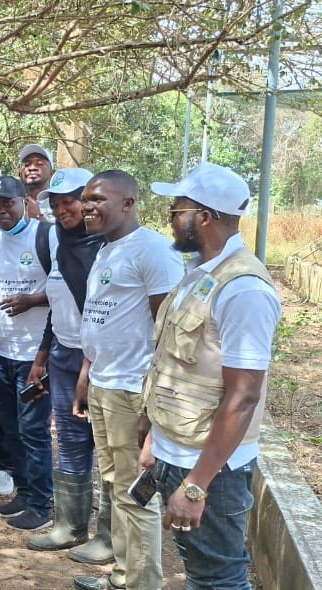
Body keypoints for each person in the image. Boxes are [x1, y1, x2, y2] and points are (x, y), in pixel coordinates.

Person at [139, 163, 280, 590]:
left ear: (202, 216)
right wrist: (154, 438)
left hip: (211, 470)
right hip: (178, 451)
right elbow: (176, 366)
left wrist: (197, 486)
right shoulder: (199, 274)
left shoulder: (243, 290)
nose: (169, 216)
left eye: (175, 209)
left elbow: (243, 396)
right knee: (201, 572)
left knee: (218, 579)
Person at [71, 170, 183, 590]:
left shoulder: (153, 250)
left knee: (136, 492)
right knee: (116, 485)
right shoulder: (106, 249)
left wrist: (153, 406)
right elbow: (101, 320)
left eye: (97, 199)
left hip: (131, 389)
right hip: (104, 383)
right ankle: (123, 574)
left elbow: (170, 333)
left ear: (129, 203)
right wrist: (86, 375)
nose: (87, 207)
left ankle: (141, 583)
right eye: (85, 199)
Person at [24, 168, 107, 553]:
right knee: (70, 443)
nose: (61, 211)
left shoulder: (106, 248)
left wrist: (88, 368)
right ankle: (70, 527)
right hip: (63, 357)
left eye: (68, 202)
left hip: (102, 362)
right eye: (55, 205)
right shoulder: (58, 242)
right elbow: (58, 308)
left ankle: (110, 537)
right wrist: (42, 357)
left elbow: (106, 317)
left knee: (109, 448)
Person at [0, 175, 56, 531]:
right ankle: (24, 491)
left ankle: (41, 503)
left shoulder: (46, 236)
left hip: (35, 354)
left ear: (24, 201)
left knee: (34, 430)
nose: (1, 210)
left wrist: (32, 300)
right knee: (11, 427)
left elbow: (67, 291)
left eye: (8, 203)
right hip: (2, 351)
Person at [18, 144, 56, 222]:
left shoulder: (60, 202)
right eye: (27, 165)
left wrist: (38, 217)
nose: (32, 168)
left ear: (52, 173)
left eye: (40, 164)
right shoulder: (11, 203)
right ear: (19, 174)